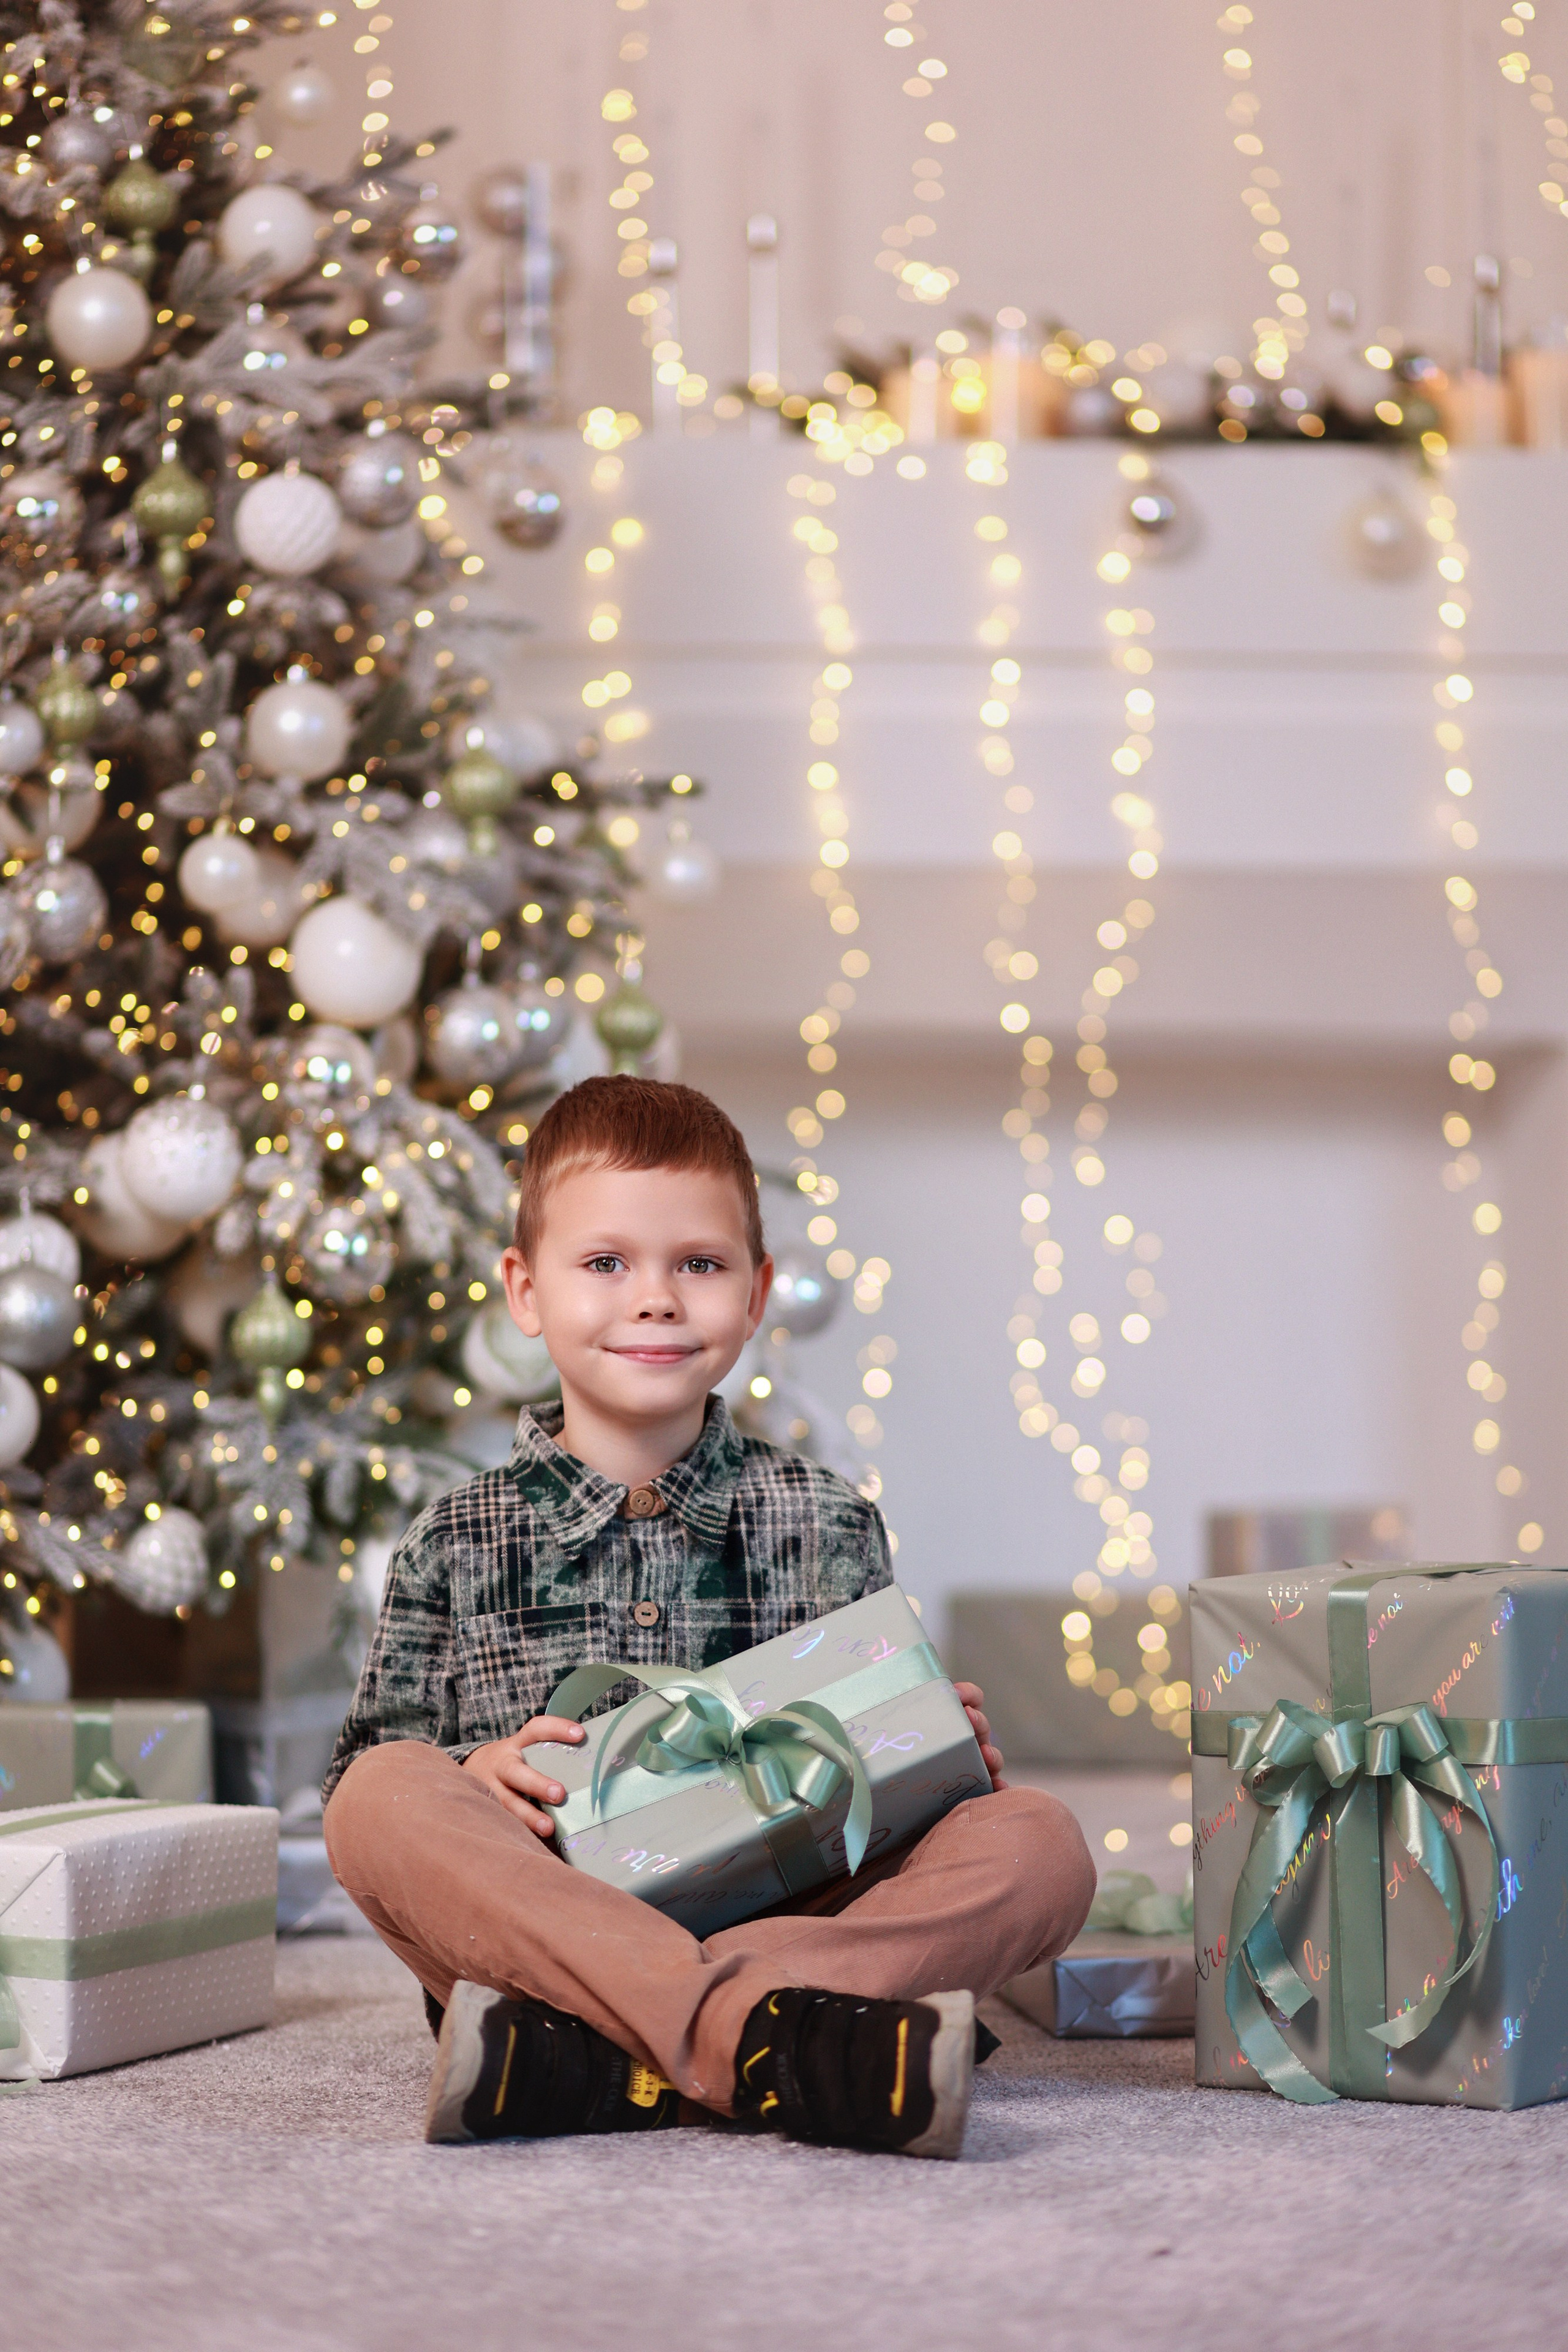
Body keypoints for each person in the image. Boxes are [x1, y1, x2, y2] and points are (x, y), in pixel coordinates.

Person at [323, 1076, 1095, 2160]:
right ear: (525, 1290)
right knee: (378, 1796)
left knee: (1039, 1843)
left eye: (699, 1263)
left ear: (756, 1291)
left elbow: (889, 1799)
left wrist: (927, 1742)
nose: (656, 1298)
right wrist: (468, 1773)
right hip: (549, 1926)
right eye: (605, 1264)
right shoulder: (453, 1539)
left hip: (799, 1913)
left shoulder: (824, 1517)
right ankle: (774, 2044)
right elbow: (367, 1770)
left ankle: (599, 2060)